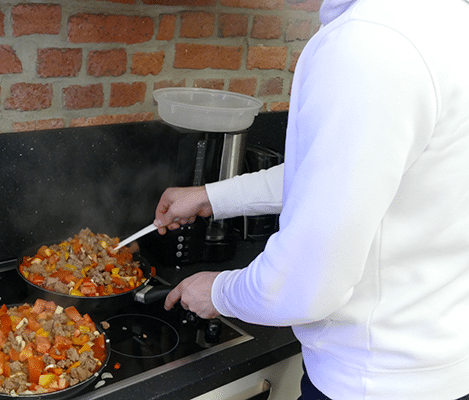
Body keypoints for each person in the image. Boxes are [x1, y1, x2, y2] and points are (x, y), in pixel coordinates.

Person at [153, 0, 469, 399]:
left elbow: (309, 279)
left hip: (372, 381)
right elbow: (338, 173)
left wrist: (218, 292)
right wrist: (212, 197)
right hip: (441, 362)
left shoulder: (371, 43)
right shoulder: (446, 20)